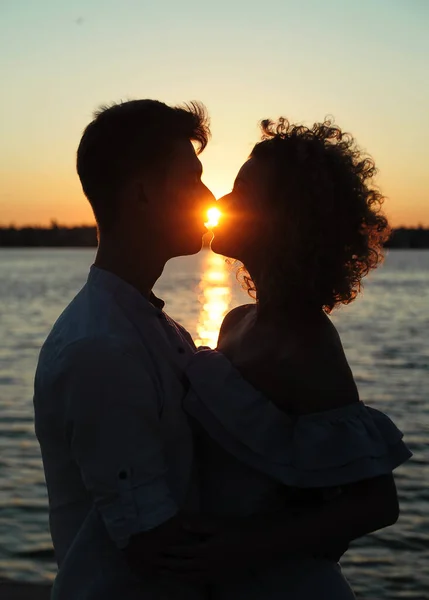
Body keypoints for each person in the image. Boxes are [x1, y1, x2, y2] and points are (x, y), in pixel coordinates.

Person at [159, 118, 412, 598]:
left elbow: (376, 504)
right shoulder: (236, 321)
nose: (221, 203)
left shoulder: (307, 341)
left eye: (242, 191)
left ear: (285, 217)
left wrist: (245, 546)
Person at [33, 99, 215, 599]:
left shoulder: (155, 328)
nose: (209, 194)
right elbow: (155, 546)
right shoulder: (101, 348)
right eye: (192, 178)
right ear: (141, 193)